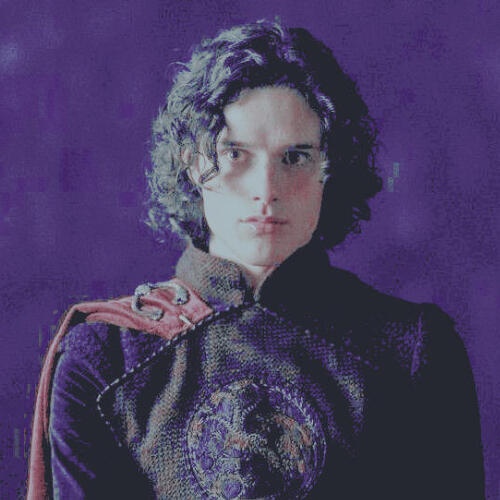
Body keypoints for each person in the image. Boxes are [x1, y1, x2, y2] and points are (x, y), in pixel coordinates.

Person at [28, 20, 484, 499]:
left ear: (331, 169)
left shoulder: (411, 350)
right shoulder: (105, 360)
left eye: (295, 157)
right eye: (235, 154)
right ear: (192, 162)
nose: (266, 190)